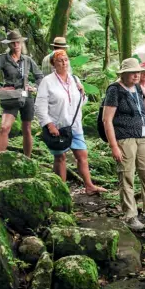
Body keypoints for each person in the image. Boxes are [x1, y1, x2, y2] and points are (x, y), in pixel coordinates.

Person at [102, 58, 145, 231]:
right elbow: (107, 120)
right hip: (125, 138)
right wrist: (113, 146)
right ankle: (130, 215)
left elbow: (143, 111)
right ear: (124, 74)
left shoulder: (137, 87)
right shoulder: (115, 90)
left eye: (138, 72)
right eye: (133, 72)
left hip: (143, 137)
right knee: (127, 176)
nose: (137, 75)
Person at [35, 50, 106, 195]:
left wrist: (82, 93)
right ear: (53, 64)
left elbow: (81, 103)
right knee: (60, 157)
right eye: (60, 60)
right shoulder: (47, 81)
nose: (64, 63)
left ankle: (89, 186)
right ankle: (62, 191)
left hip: (75, 125)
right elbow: (39, 106)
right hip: (57, 126)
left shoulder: (74, 79)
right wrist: (49, 124)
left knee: (82, 155)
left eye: (66, 60)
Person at [0, 30, 44, 157]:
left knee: (27, 129)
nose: (16, 44)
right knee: (4, 128)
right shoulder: (2, 58)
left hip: (26, 96)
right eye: (12, 43)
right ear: (9, 45)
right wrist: (0, 88)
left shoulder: (27, 60)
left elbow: (39, 76)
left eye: (18, 42)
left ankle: (28, 159)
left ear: (21, 43)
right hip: (11, 96)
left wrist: (35, 87)